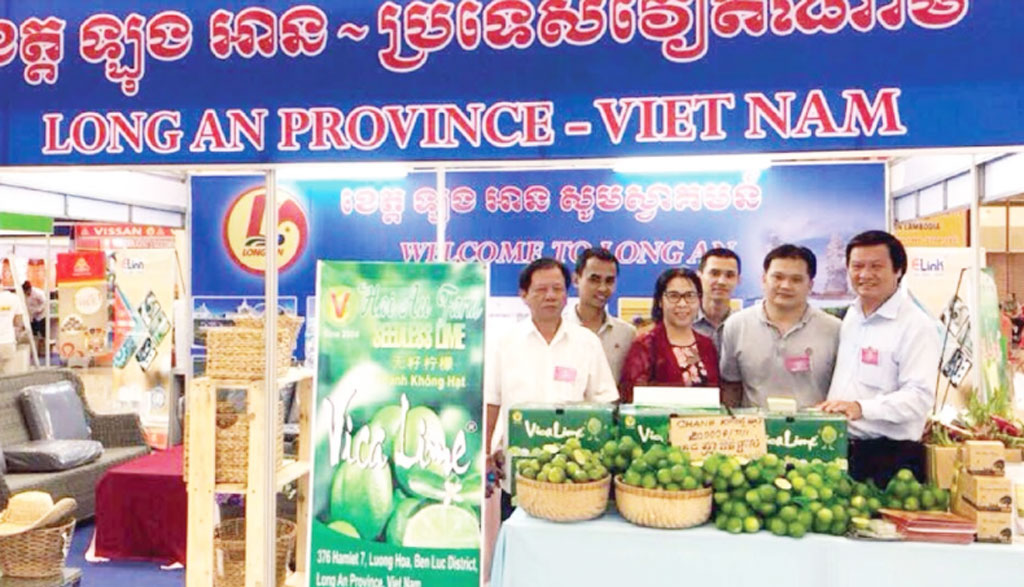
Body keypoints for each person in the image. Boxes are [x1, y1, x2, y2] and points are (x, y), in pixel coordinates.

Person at [484, 258, 618, 519]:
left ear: (567, 294)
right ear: (524, 295)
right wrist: (487, 454)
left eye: (558, 289)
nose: (551, 296)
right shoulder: (505, 343)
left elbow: (606, 402)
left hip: (575, 478)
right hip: (519, 472)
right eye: (541, 289)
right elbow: (491, 401)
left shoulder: (586, 343)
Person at [819, 230, 940, 486]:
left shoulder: (916, 326)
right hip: (843, 449)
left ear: (898, 270)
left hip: (890, 458)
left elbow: (918, 398)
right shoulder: (852, 315)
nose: (864, 274)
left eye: (876, 266)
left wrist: (861, 407)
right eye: (857, 266)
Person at [718, 245, 841, 409]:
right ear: (763, 279)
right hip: (754, 429)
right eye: (778, 277)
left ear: (810, 285)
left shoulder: (834, 329)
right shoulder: (736, 325)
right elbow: (731, 386)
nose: (785, 286)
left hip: (815, 429)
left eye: (796, 279)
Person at [619, 268, 720, 403]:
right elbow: (632, 397)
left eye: (690, 295)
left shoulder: (707, 345)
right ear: (660, 301)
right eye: (674, 296)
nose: (682, 303)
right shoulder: (645, 346)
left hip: (703, 422)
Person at [563, 247, 637, 381]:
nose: (602, 288)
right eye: (594, 279)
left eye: (609, 281)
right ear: (575, 280)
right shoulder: (559, 328)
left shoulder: (627, 334)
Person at [693, 248, 741, 349]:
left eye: (729, 275)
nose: (721, 281)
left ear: (738, 280)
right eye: (714, 273)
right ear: (699, 276)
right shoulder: (681, 323)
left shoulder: (745, 326)